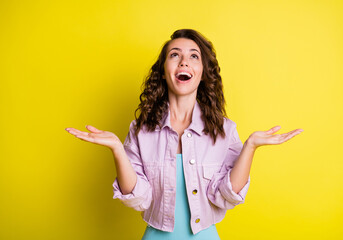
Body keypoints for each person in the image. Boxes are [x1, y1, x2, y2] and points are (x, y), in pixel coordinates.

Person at [65, 29, 303, 239]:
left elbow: (226, 196)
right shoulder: (140, 130)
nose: (183, 62)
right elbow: (140, 199)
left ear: (202, 72)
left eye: (193, 56)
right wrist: (117, 149)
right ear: (164, 70)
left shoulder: (225, 130)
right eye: (174, 55)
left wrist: (250, 146)